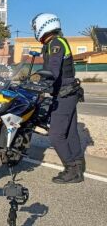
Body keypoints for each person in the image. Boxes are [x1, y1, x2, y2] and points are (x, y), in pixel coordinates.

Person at [31, 13, 84, 184]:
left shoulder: (55, 44)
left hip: (64, 93)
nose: (34, 30)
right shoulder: (54, 43)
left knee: (55, 134)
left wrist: (41, 85)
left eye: (35, 27)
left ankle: (71, 169)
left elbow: (53, 70)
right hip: (68, 92)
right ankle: (77, 167)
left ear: (43, 26)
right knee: (70, 132)